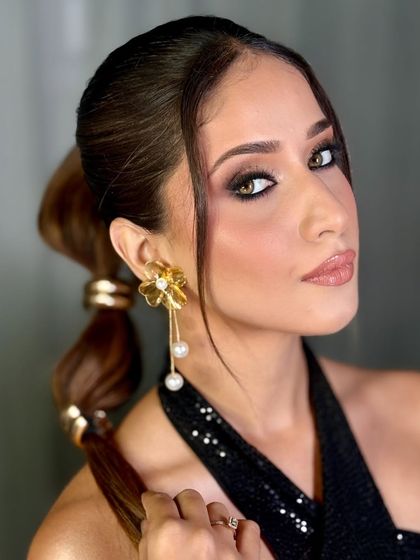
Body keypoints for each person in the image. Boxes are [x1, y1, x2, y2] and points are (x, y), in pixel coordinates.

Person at [28, 14, 420, 560]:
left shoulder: (413, 413)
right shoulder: (90, 541)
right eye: (253, 183)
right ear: (146, 253)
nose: (331, 214)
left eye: (321, 156)